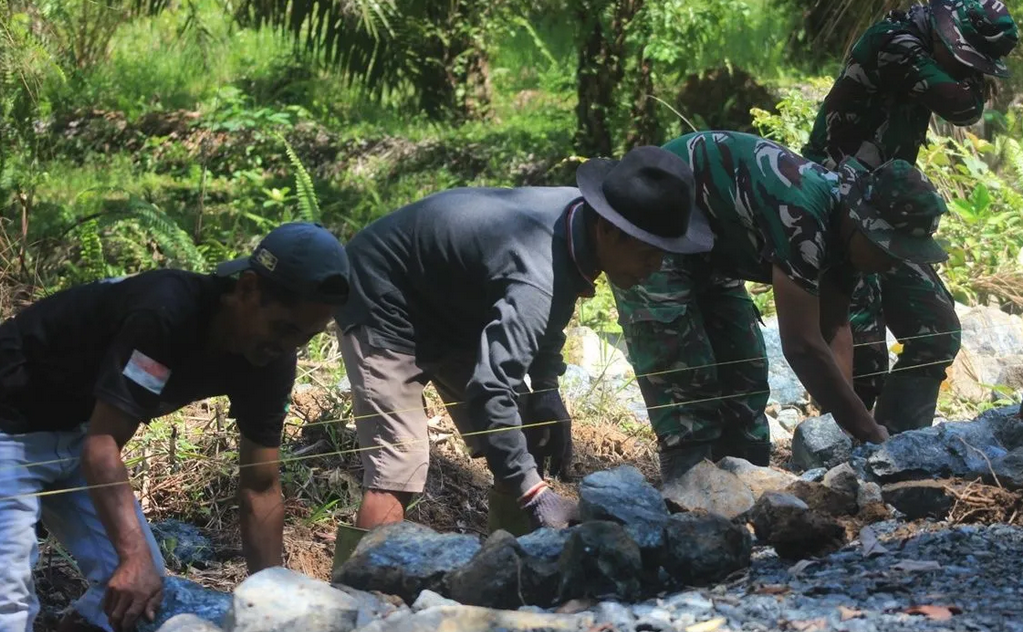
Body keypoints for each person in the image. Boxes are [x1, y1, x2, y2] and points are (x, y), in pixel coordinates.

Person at [334, 145, 710, 535]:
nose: (655, 267)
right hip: (383, 294)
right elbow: (492, 385)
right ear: (609, 229)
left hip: (451, 297)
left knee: (521, 439)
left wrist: (546, 387)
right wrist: (535, 495)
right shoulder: (538, 267)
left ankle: (515, 569)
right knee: (400, 465)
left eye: (663, 255)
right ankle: (359, 590)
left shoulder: (578, 222)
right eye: (648, 253)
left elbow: (553, 308)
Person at [0, 223, 349, 632]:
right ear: (248, 288)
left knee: (141, 595)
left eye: (306, 337)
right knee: (9, 600)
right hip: (10, 422)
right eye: (285, 328)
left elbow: (259, 485)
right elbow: (103, 445)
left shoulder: (271, 357)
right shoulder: (168, 312)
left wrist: (269, 605)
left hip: (78, 430)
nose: (289, 346)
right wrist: (133, 557)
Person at [611, 131, 950, 483]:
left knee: (745, 374)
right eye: (889, 250)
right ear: (864, 224)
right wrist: (870, 432)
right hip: (658, 224)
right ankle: (689, 490)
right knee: (685, 374)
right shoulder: (803, 214)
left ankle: (747, 488)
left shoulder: (847, 233)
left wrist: (848, 425)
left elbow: (834, 327)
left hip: (716, 248)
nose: (893, 264)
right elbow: (802, 346)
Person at [803, 0, 1018, 432]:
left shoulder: (925, 44)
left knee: (935, 331)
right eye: (962, 56)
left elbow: (962, 101)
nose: (964, 68)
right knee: (862, 354)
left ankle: (899, 449)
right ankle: (842, 463)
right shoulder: (894, 42)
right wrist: (969, 78)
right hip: (841, 208)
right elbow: (963, 107)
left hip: (888, 212)